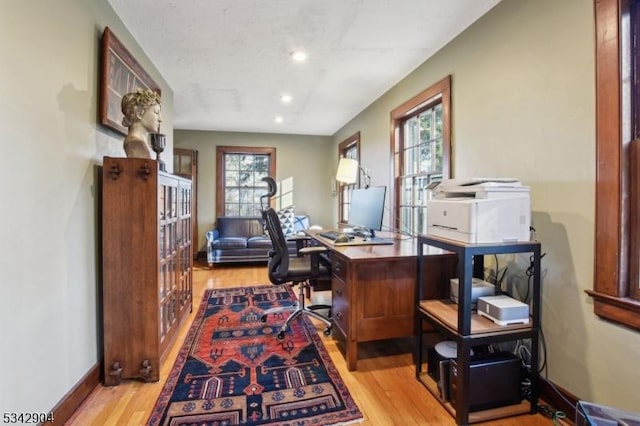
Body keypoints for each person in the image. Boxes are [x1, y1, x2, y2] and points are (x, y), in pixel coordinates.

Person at [121, 88, 162, 159]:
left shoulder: (142, 144)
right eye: (156, 112)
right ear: (139, 113)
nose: (160, 119)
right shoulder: (135, 143)